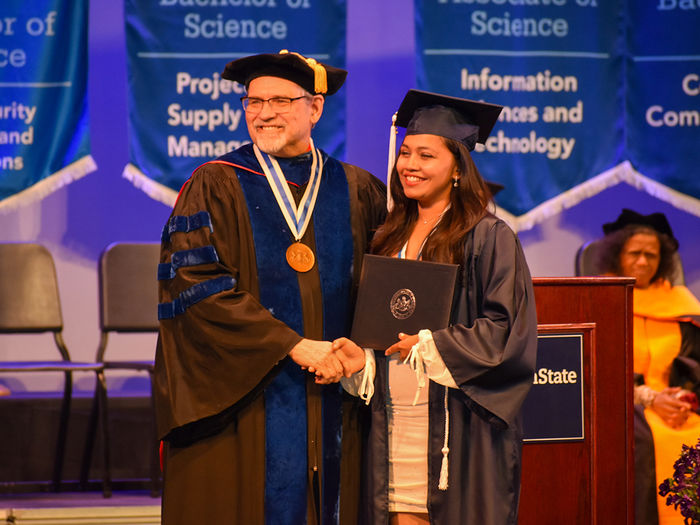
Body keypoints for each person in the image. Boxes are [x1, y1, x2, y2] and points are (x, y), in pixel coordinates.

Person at [153, 50, 387, 525]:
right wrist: (293, 346)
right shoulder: (214, 184)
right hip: (245, 404)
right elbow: (196, 288)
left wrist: (358, 354)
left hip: (336, 398)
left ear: (315, 108)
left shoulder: (358, 188)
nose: (263, 114)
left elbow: (383, 292)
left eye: (280, 100)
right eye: (252, 102)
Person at [332, 89, 538, 525]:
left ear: (458, 168)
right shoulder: (387, 237)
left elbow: (506, 331)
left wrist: (430, 345)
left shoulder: (488, 237)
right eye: (405, 153)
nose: (409, 165)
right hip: (393, 420)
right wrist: (362, 359)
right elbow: (383, 327)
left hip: (457, 427)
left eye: (426, 155)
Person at [596, 209, 700, 525]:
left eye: (651, 255)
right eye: (635, 254)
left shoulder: (680, 302)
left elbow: (694, 363)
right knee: (642, 439)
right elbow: (595, 367)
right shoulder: (600, 296)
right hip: (623, 404)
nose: (643, 262)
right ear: (618, 254)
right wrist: (649, 398)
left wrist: (684, 397)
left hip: (676, 405)